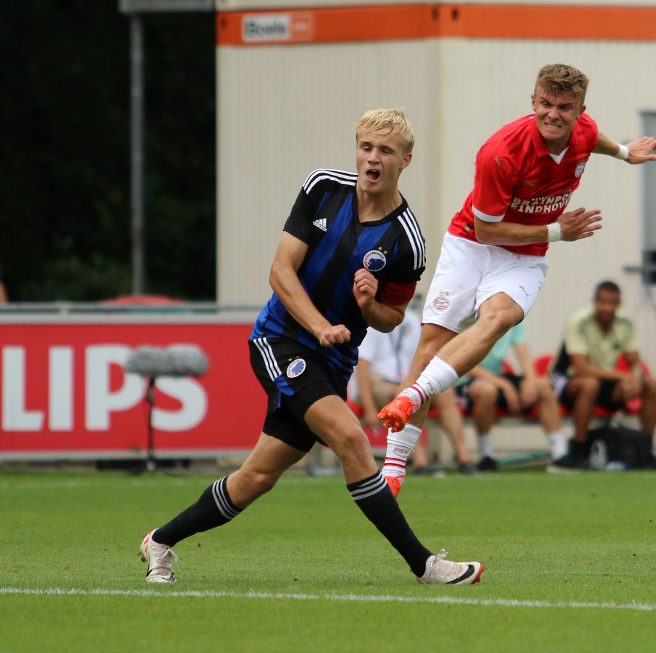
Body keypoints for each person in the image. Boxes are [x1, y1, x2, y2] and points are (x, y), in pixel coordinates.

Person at [138, 109, 482, 586]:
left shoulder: (409, 242)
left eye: (384, 150)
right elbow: (280, 271)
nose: (372, 158)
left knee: (255, 479)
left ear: (406, 160)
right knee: (353, 440)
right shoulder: (323, 187)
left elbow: (391, 318)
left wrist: (368, 303)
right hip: (279, 339)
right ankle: (424, 565)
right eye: (365, 147)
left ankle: (159, 541)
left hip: (332, 360)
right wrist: (320, 325)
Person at [374, 63, 656, 495]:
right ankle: (393, 469)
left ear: (580, 110)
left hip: (522, 257)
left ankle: (415, 395)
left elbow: (591, 141)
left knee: (498, 318)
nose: (554, 114)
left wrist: (623, 151)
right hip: (471, 244)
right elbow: (488, 230)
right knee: (429, 348)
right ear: (533, 102)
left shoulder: (583, 131)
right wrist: (557, 231)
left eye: (565, 107)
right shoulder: (500, 153)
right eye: (545, 104)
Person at [547, 280, 656, 470]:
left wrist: (634, 377)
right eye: (603, 302)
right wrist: (622, 376)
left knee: (650, 385)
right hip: (567, 380)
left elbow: (635, 362)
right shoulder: (579, 322)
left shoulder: (625, 323)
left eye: (612, 303)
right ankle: (578, 452)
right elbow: (581, 367)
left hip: (603, 381)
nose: (607, 307)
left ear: (619, 304)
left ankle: (645, 452)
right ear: (594, 301)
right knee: (589, 384)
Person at [355, 305, 477, 476]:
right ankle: (418, 460)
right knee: (403, 396)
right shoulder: (372, 321)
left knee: (444, 394)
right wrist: (368, 407)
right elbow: (363, 366)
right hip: (377, 381)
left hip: (406, 379)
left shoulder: (413, 320)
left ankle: (464, 458)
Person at [455, 321, 568, 470]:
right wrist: (504, 385)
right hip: (464, 381)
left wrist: (530, 380)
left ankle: (560, 455)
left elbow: (523, 355)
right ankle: (486, 455)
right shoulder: (468, 319)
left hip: (498, 379)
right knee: (486, 390)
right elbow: (465, 364)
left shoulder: (511, 316)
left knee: (543, 386)